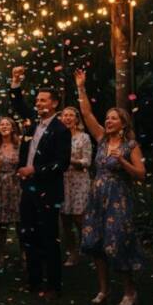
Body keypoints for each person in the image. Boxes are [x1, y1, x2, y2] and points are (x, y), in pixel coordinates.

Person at [75, 70, 146, 305]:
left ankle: (129, 290)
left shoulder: (131, 145)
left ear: (123, 123)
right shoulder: (102, 139)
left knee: (117, 243)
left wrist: (123, 161)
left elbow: (141, 175)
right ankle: (104, 290)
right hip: (97, 198)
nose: (108, 121)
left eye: (113, 118)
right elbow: (86, 113)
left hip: (119, 198)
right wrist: (81, 88)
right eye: (107, 118)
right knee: (95, 244)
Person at [9, 66, 71, 300]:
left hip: (48, 191)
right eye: (37, 100)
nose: (38, 103)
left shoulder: (61, 129)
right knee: (28, 236)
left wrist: (34, 169)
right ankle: (33, 282)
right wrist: (16, 81)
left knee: (49, 238)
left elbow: (62, 163)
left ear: (54, 104)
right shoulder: (32, 124)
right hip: (28, 191)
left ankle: (53, 285)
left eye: (43, 100)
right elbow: (18, 104)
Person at [59, 107, 92, 267]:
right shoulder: (56, 137)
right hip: (62, 181)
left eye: (71, 115)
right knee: (65, 220)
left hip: (79, 181)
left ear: (76, 119)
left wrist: (69, 161)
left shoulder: (84, 137)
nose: (67, 118)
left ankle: (90, 249)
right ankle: (72, 253)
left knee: (80, 219)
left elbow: (87, 162)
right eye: (65, 115)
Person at [0, 117, 23, 266]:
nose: (4, 126)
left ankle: (25, 254)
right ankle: (0, 255)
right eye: (1, 124)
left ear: (13, 128)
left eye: (7, 124)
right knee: (1, 223)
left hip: (16, 184)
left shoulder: (20, 145)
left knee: (20, 222)